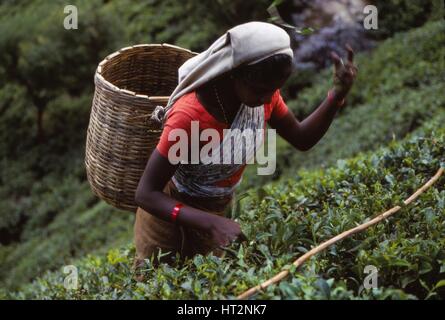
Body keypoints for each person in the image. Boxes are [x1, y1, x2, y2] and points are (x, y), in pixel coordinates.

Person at [134, 21, 357, 270]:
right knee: (158, 281)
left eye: (273, 90)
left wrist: (336, 96)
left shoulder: (265, 96)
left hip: (216, 209)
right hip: (169, 212)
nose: (265, 99)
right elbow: (146, 193)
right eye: (259, 90)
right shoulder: (190, 116)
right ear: (234, 72)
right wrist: (211, 223)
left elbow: (302, 138)